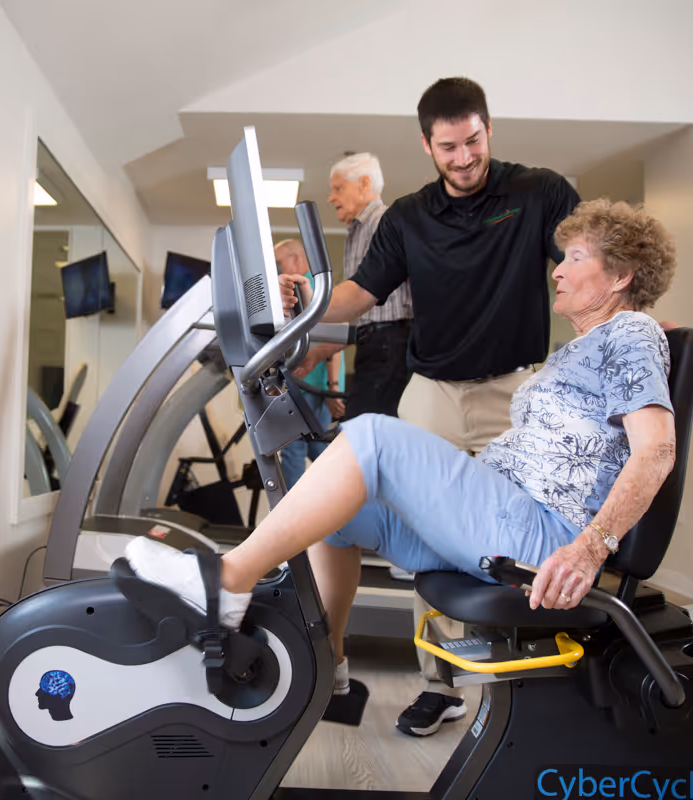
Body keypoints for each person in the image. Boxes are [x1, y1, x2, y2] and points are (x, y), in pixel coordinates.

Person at [123, 199, 678, 731]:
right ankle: (328, 667)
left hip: (540, 535)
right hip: (505, 512)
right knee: (335, 510)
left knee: (373, 436)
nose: (559, 268)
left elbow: (657, 449)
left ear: (621, 276)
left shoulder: (629, 334)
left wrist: (589, 548)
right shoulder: (585, 347)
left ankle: (225, 584)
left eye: (576, 257)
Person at [282, 77, 583, 736]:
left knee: (520, 532)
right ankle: (439, 684)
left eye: (473, 140)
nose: (464, 157)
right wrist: (303, 299)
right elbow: (359, 295)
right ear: (427, 145)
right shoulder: (410, 217)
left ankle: (534, 677)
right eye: (448, 147)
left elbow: (582, 270)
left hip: (517, 390)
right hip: (435, 392)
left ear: (488, 129)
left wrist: (626, 324)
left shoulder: (539, 193)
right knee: (432, 538)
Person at [296, 153, 412, 420]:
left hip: (394, 345)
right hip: (376, 343)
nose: (330, 197)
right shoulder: (358, 231)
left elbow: (386, 314)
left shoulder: (386, 223)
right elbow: (361, 314)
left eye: (338, 188)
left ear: (364, 184)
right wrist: (317, 354)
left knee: (366, 433)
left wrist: (312, 304)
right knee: (363, 432)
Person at [274, 239, 345, 490]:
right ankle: (339, 505)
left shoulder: (308, 288)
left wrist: (332, 386)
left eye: (279, 262)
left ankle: (291, 519)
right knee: (319, 450)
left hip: (311, 385)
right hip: (308, 384)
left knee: (294, 451)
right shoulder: (311, 288)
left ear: (294, 259)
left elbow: (331, 339)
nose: (276, 268)